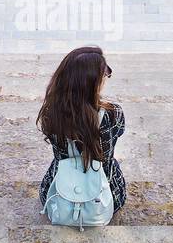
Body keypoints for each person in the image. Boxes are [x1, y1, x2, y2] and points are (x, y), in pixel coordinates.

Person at [37, 45, 126, 216]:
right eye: (104, 73)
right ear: (93, 82)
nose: (106, 77)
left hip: (58, 191)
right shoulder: (113, 114)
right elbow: (116, 136)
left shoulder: (50, 113)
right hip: (106, 192)